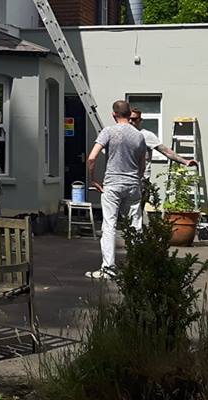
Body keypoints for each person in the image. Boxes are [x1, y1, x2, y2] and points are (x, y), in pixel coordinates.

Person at [85, 99, 148, 279]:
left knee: (109, 225)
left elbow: (91, 158)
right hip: (132, 184)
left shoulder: (108, 131)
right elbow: (142, 164)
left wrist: (94, 180)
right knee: (135, 226)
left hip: (112, 184)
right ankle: (136, 268)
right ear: (130, 115)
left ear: (114, 115)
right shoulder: (139, 136)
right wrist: (137, 179)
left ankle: (108, 268)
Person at [130, 106, 198, 173]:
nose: (130, 121)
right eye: (128, 119)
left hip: (140, 179)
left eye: (134, 119)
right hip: (124, 178)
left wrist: (185, 161)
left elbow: (166, 151)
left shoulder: (146, 135)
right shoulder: (122, 134)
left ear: (140, 120)